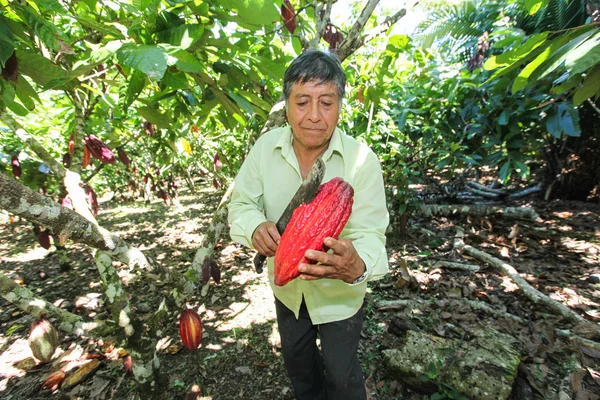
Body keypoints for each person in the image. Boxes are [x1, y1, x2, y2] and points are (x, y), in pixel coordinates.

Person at [227, 50, 389, 400]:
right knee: (300, 369)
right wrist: (254, 227)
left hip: (340, 298)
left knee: (342, 377)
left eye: (326, 102)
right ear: (286, 105)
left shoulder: (362, 161)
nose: (314, 116)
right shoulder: (265, 149)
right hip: (287, 291)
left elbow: (373, 234)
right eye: (302, 102)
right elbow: (241, 205)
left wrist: (357, 265)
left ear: (340, 105)